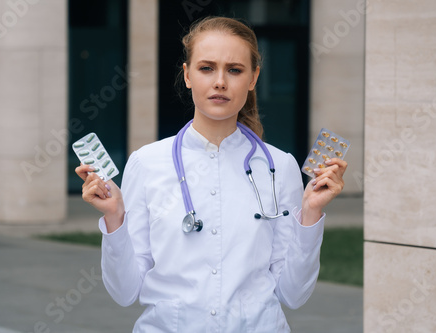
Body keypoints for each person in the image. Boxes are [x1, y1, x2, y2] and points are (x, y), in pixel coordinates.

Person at [76, 16, 347, 333]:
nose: (220, 82)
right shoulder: (147, 163)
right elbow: (124, 293)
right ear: (187, 75)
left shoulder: (280, 165)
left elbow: (294, 294)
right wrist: (114, 219)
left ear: (253, 77)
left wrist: (311, 214)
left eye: (234, 70)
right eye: (206, 68)